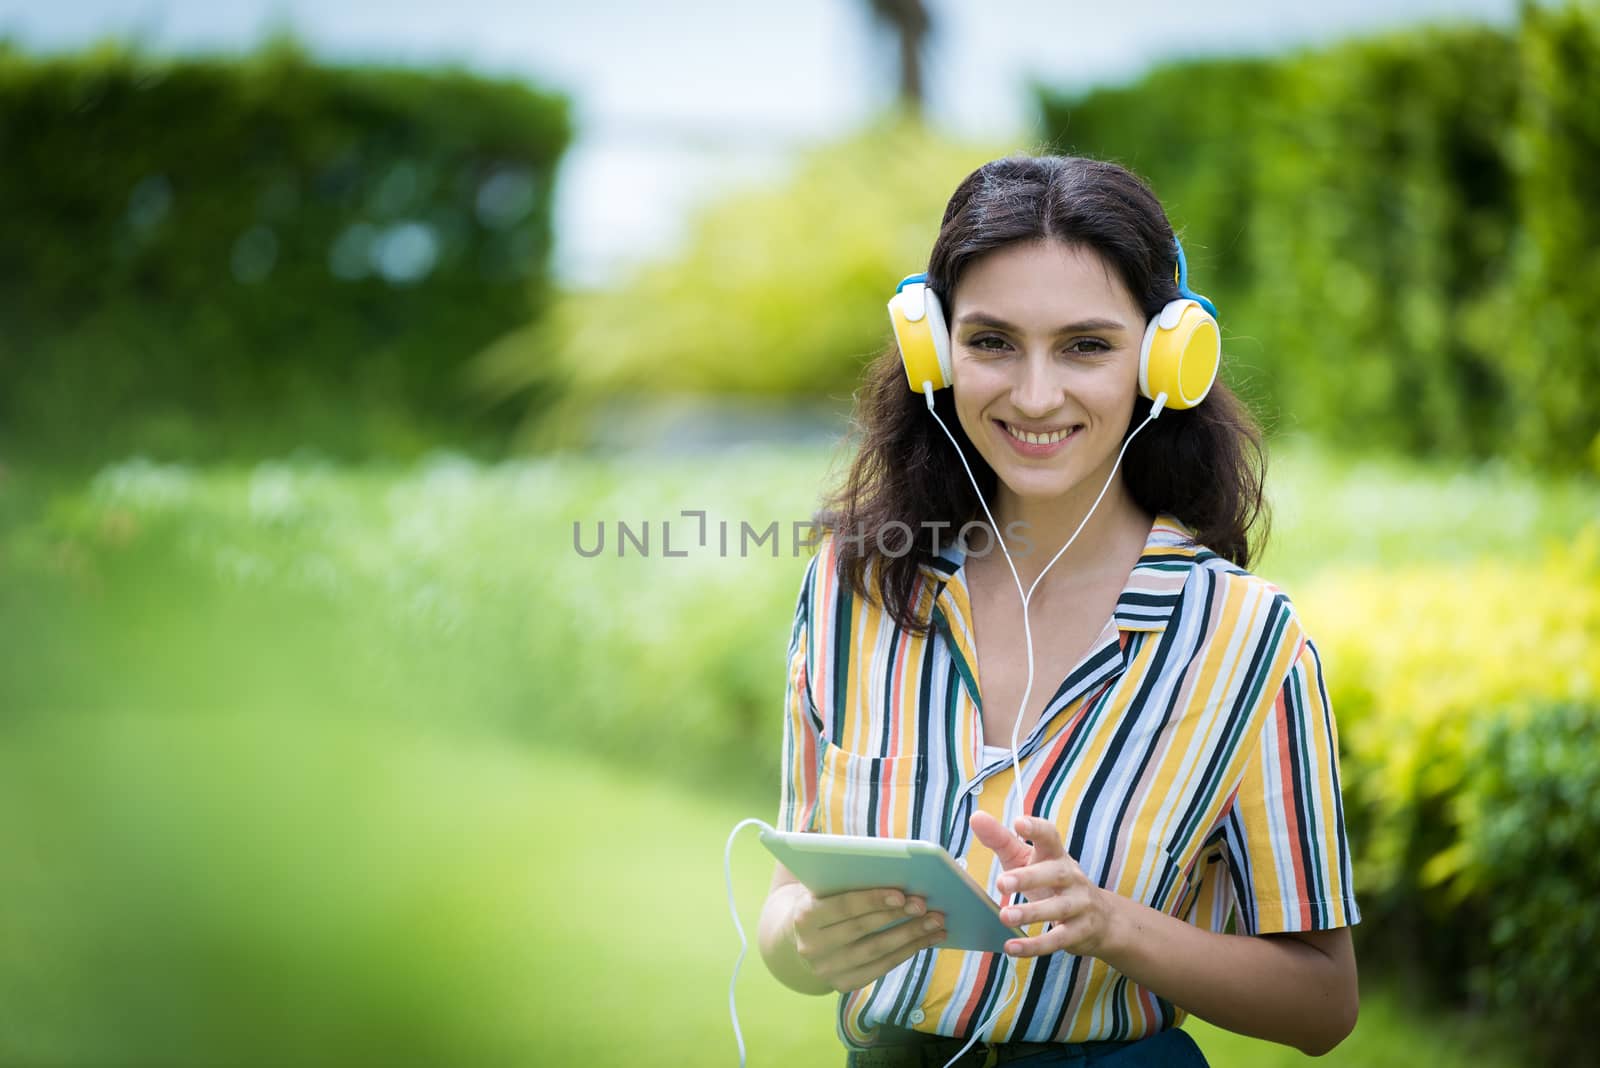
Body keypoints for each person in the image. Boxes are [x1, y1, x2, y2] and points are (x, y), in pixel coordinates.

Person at [756, 154, 1361, 1067]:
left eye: (1086, 345)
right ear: (935, 349)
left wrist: (1114, 926)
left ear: (1165, 357)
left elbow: (1323, 1003)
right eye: (993, 342)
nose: (1035, 396)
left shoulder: (1248, 641)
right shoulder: (853, 589)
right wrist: (804, 943)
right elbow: (782, 912)